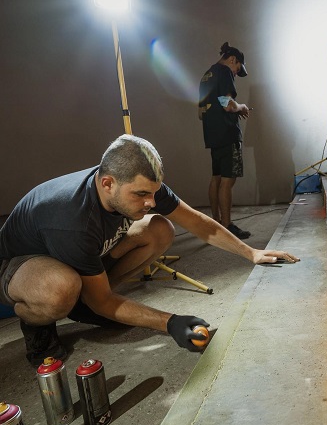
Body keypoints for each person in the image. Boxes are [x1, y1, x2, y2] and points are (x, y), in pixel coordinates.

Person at [0, 134, 300, 367]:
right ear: (107, 183)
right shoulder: (71, 219)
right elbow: (103, 298)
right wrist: (169, 322)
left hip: (76, 254)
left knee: (159, 228)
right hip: (22, 267)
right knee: (61, 289)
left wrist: (251, 253)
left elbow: (199, 224)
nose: (151, 202)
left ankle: (86, 304)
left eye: (154, 193)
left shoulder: (137, 184)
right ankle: (37, 326)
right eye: (142, 194)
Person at [198, 41, 251, 239]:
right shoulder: (224, 72)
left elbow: (200, 113)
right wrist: (242, 106)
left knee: (216, 178)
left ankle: (216, 222)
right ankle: (228, 226)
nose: (236, 73)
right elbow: (228, 105)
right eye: (238, 69)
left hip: (212, 134)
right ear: (232, 60)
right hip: (228, 133)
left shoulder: (206, 76)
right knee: (228, 181)